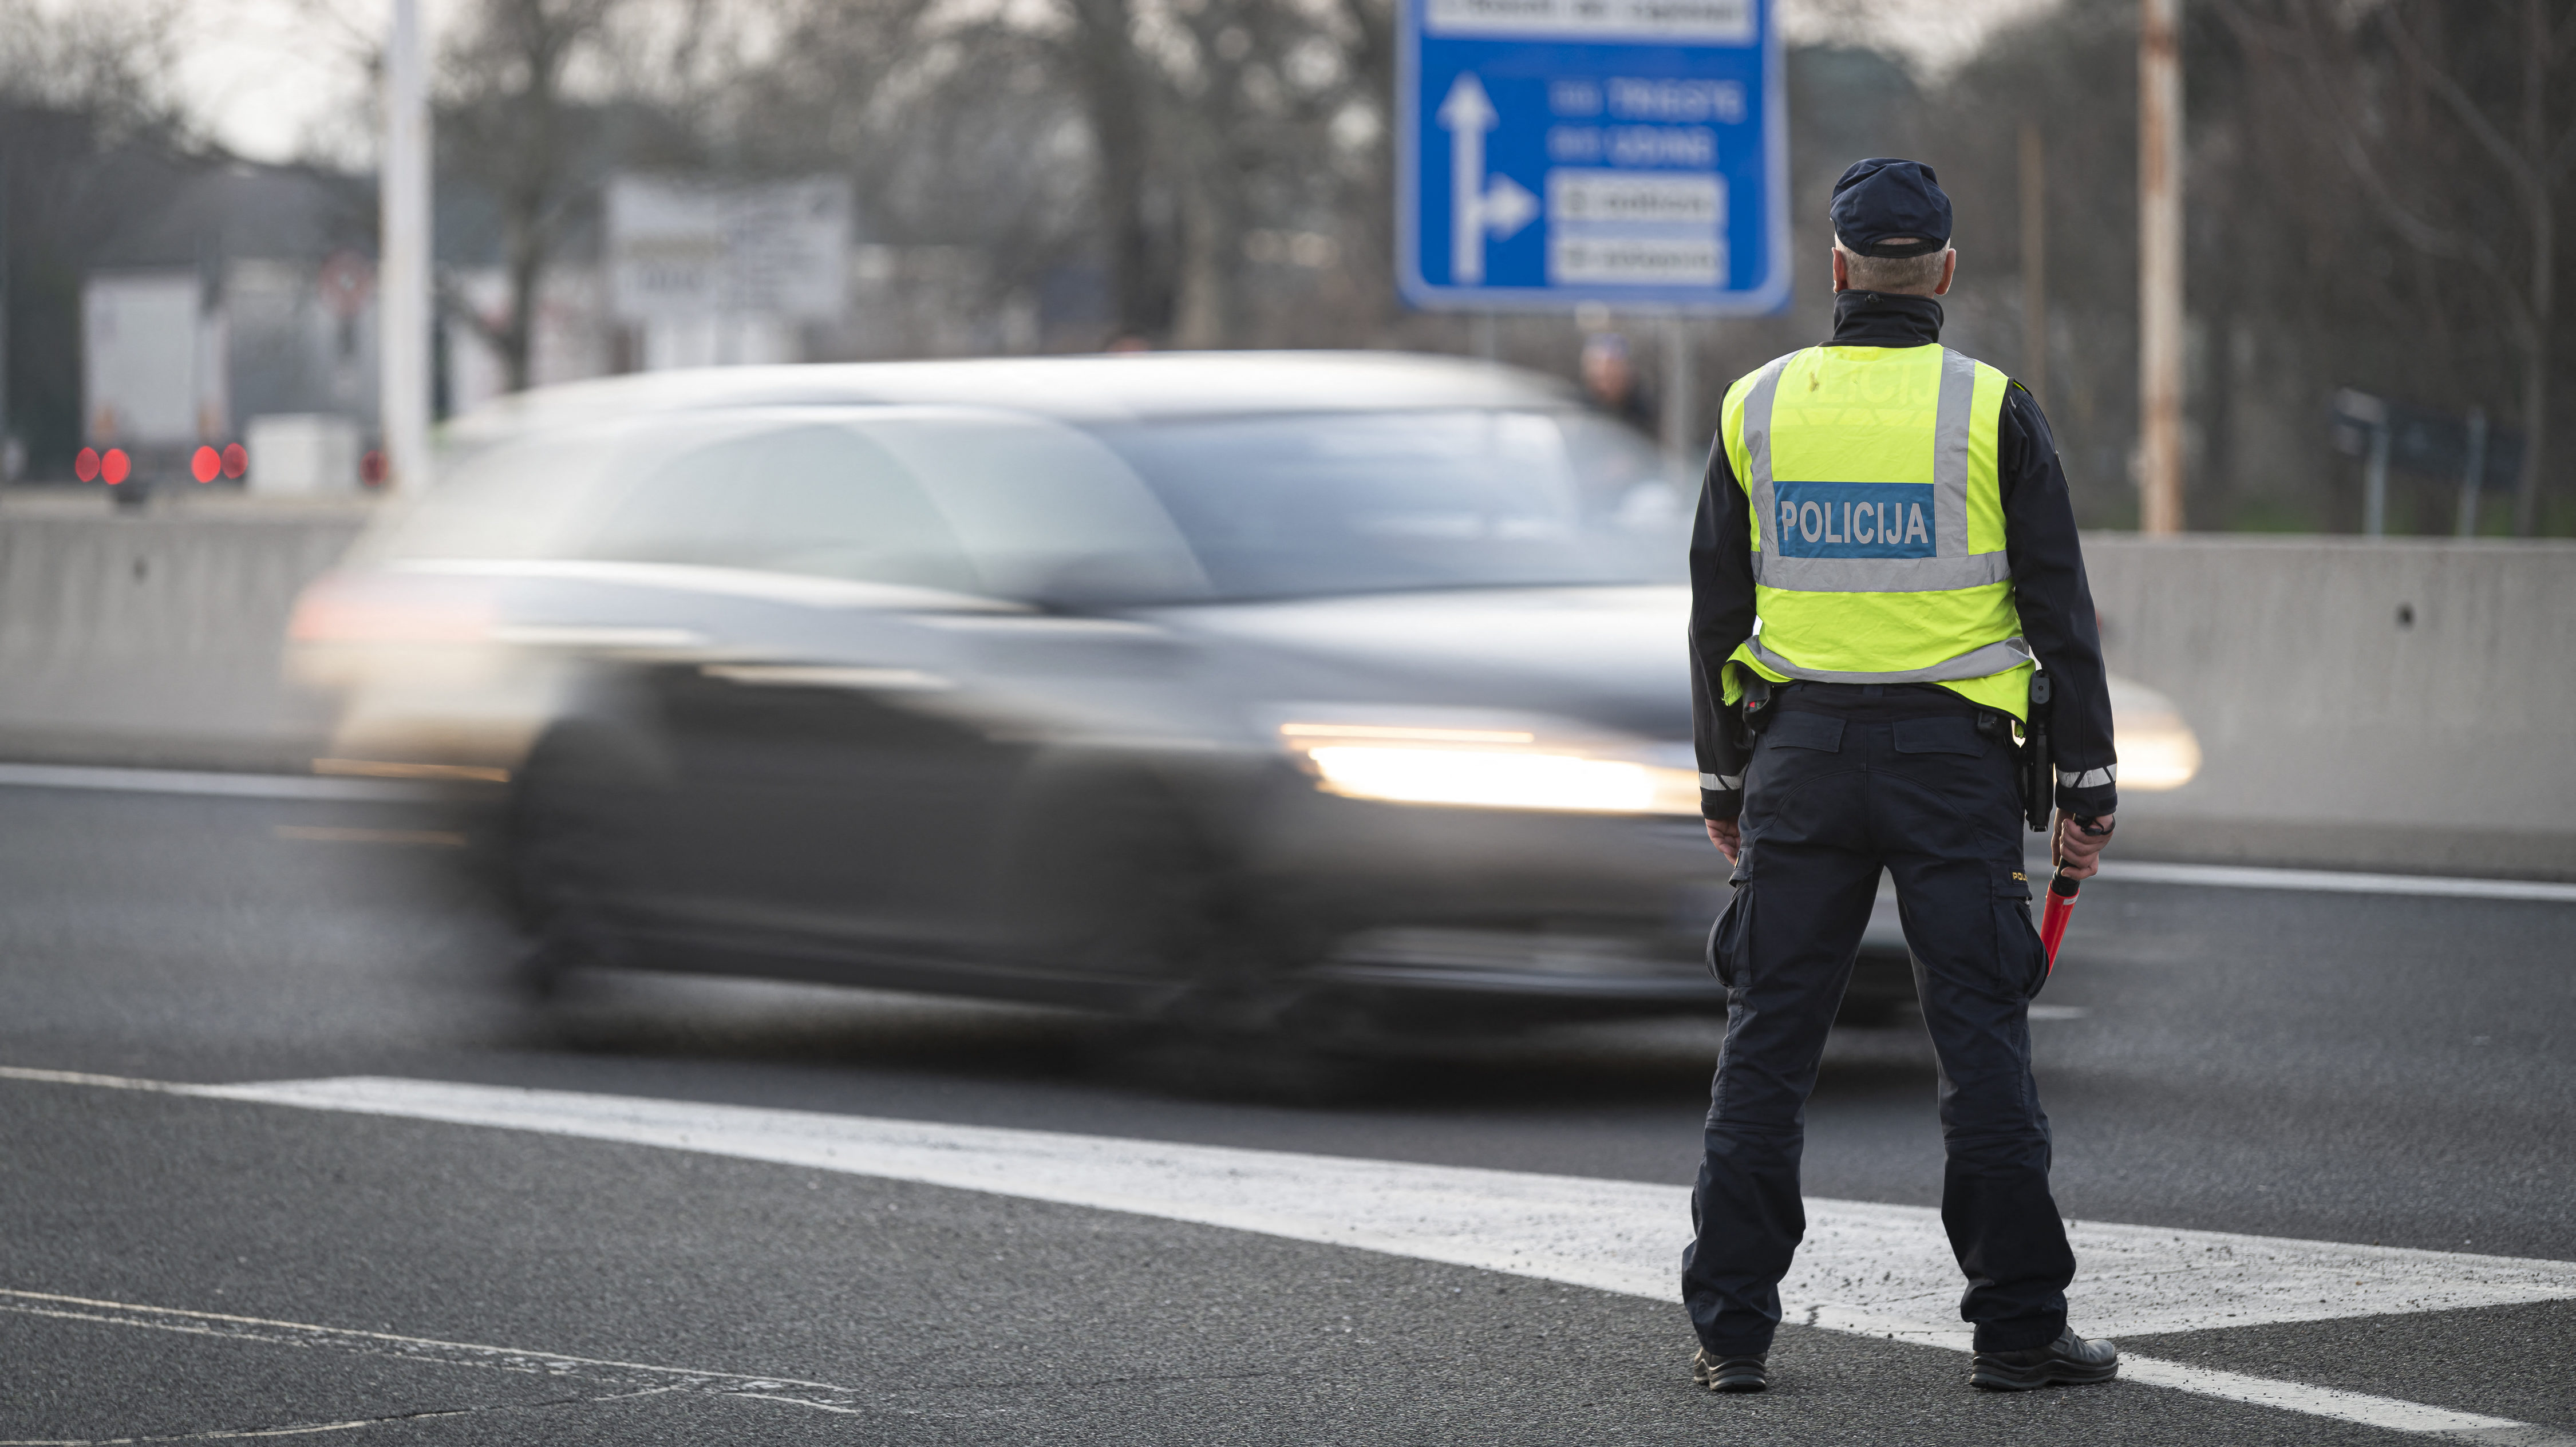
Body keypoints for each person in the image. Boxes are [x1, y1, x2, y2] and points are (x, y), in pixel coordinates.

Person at [1680, 158, 2121, 1395]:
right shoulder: (1995, 410)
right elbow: (2061, 615)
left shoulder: (1755, 407)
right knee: (1980, 1043)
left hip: (1800, 763)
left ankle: (1732, 1328)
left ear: (1834, 271)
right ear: (1943, 272)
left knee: (1767, 1042)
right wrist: (2087, 786)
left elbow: (1716, 617)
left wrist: (1724, 783)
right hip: (1954, 770)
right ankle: (2020, 1330)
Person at [1581, 331, 1659, 437]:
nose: (1604, 372)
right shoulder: (1584, 409)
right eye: (1598, 369)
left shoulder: (1642, 410)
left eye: (1612, 367)